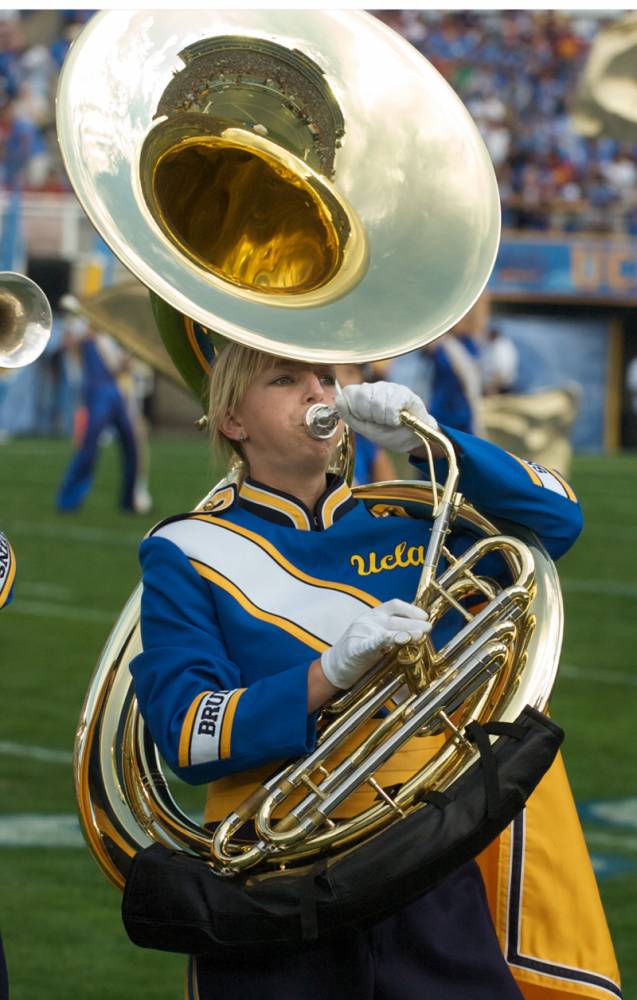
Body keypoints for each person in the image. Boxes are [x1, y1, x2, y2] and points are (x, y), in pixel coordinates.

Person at [127, 344, 621, 1000]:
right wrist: (324, 675)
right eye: (285, 380)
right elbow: (188, 733)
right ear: (232, 422)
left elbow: (558, 518)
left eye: (327, 377)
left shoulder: (417, 519)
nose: (317, 393)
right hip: (276, 882)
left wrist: (432, 442)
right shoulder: (187, 549)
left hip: (427, 862)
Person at [55, 296, 140, 513]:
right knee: (89, 448)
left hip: (115, 393)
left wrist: (130, 357)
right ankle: (68, 500)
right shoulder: (84, 332)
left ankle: (128, 501)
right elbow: (68, 344)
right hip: (97, 393)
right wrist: (82, 331)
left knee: (131, 447)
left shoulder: (107, 339)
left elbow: (119, 368)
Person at [335, 363, 396, 484]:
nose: (340, 380)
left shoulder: (365, 439)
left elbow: (391, 493)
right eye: (330, 374)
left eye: (349, 373)